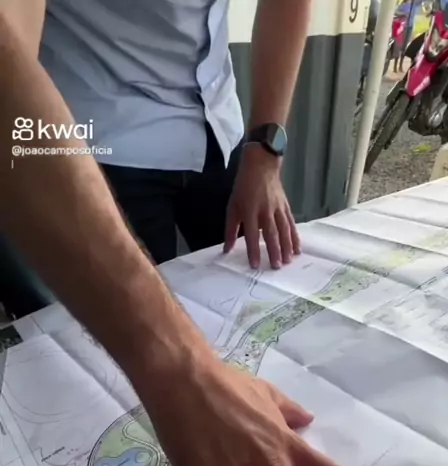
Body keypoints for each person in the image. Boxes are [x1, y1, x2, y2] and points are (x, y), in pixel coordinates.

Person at [0, 0, 397, 466]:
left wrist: (264, 150)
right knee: (87, 365)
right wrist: (182, 370)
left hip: (221, 129)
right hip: (91, 146)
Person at [38, 0, 303, 271]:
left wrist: (265, 154)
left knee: (262, 276)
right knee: (134, 294)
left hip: (219, 127)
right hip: (107, 138)